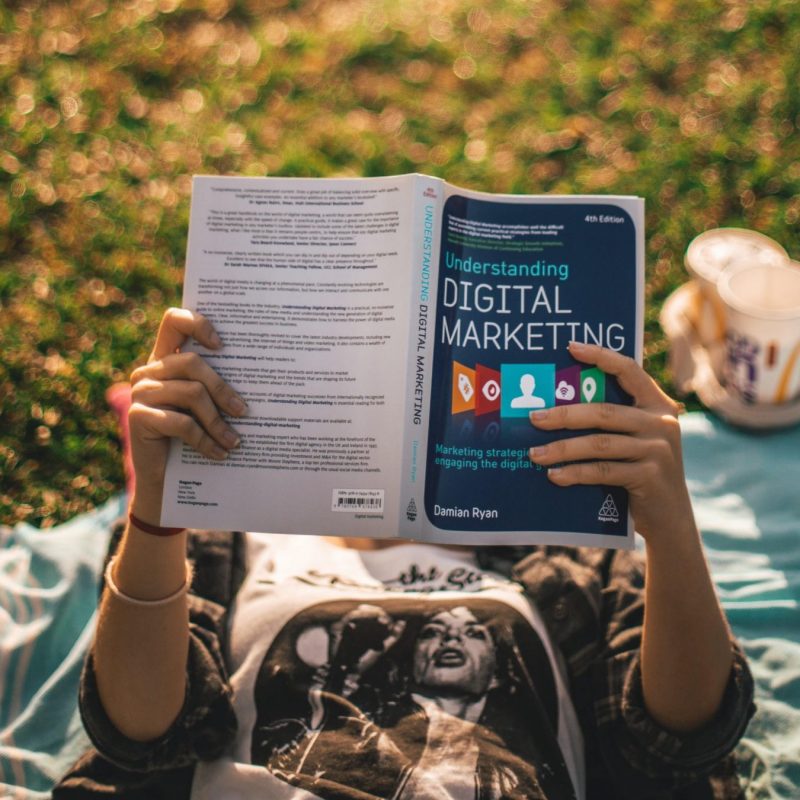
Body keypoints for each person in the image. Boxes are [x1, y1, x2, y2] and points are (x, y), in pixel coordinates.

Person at [54, 308, 755, 800]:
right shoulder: (224, 535)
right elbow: (136, 731)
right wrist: (157, 509)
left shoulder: (564, 545)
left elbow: (682, 736)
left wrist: (670, 526)